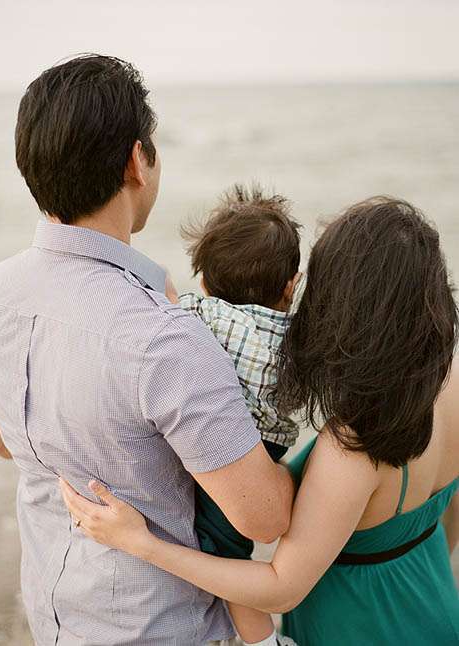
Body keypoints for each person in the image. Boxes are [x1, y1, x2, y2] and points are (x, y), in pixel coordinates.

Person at [0, 54, 294, 645]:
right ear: (137, 161)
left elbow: (2, 441)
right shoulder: (163, 337)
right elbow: (264, 516)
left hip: (53, 613)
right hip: (161, 628)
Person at [61, 197, 459, 645]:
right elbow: (448, 517)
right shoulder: (451, 380)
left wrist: (142, 544)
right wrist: (396, 552)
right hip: (434, 602)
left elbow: (280, 588)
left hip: (359, 627)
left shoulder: (356, 443)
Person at [173, 185, 303, 646]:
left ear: (205, 282)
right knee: (236, 544)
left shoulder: (205, 316)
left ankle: (262, 641)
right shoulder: (300, 335)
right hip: (271, 446)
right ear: (291, 284)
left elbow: (167, 306)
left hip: (229, 440)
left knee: (223, 552)